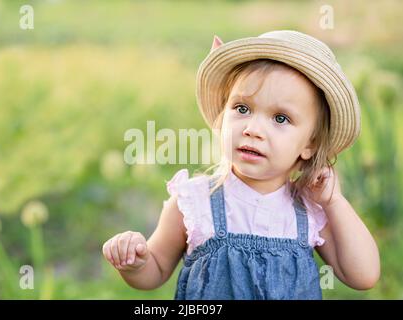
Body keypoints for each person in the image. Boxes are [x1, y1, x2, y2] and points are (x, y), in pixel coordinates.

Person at [102, 30, 380, 299]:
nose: (253, 129)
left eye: (280, 118)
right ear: (223, 117)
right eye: (242, 109)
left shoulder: (309, 211)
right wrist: (137, 264)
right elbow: (157, 269)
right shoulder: (195, 200)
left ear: (311, 143)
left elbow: (363, 275)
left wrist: (335, 203)